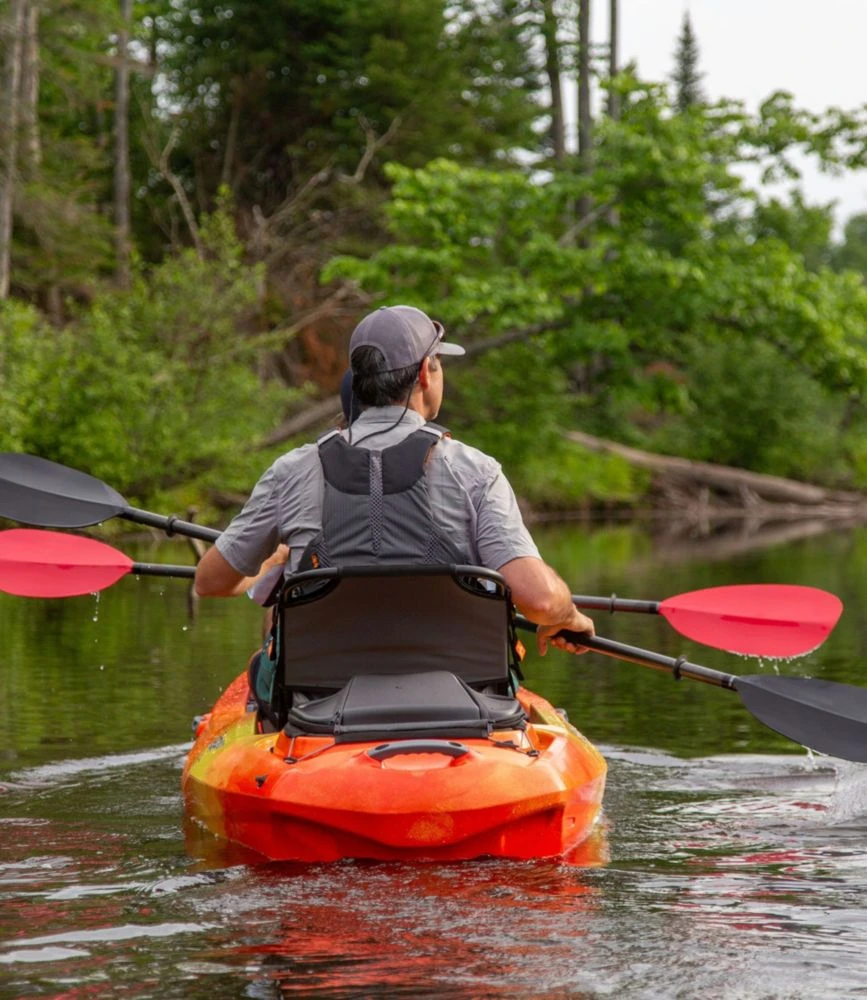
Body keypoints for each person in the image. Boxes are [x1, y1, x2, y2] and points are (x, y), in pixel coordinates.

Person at [194, 305, 594, 657]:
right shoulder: (475, 470)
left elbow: (210, 581)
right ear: (425, 373)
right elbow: (540, 601)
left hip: (317, 707)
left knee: (262, 655)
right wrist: (568, 614)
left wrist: (277, 558)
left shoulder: (291, 471)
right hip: (463, 707)